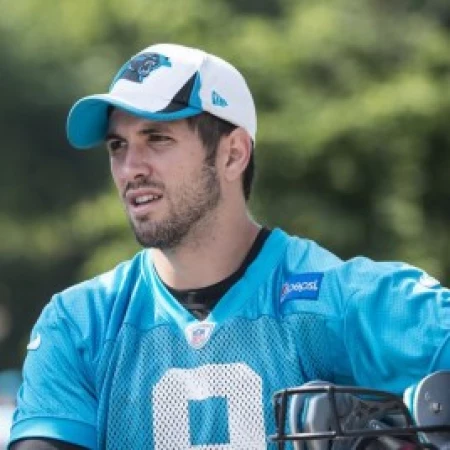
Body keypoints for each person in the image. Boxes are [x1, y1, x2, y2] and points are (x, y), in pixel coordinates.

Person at [7, 43, 450, 449]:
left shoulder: (340, 298)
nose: (129, 168)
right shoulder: (80, 323)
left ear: (233, 154)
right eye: (117, 145)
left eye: (157, 139)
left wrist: (408, 428)